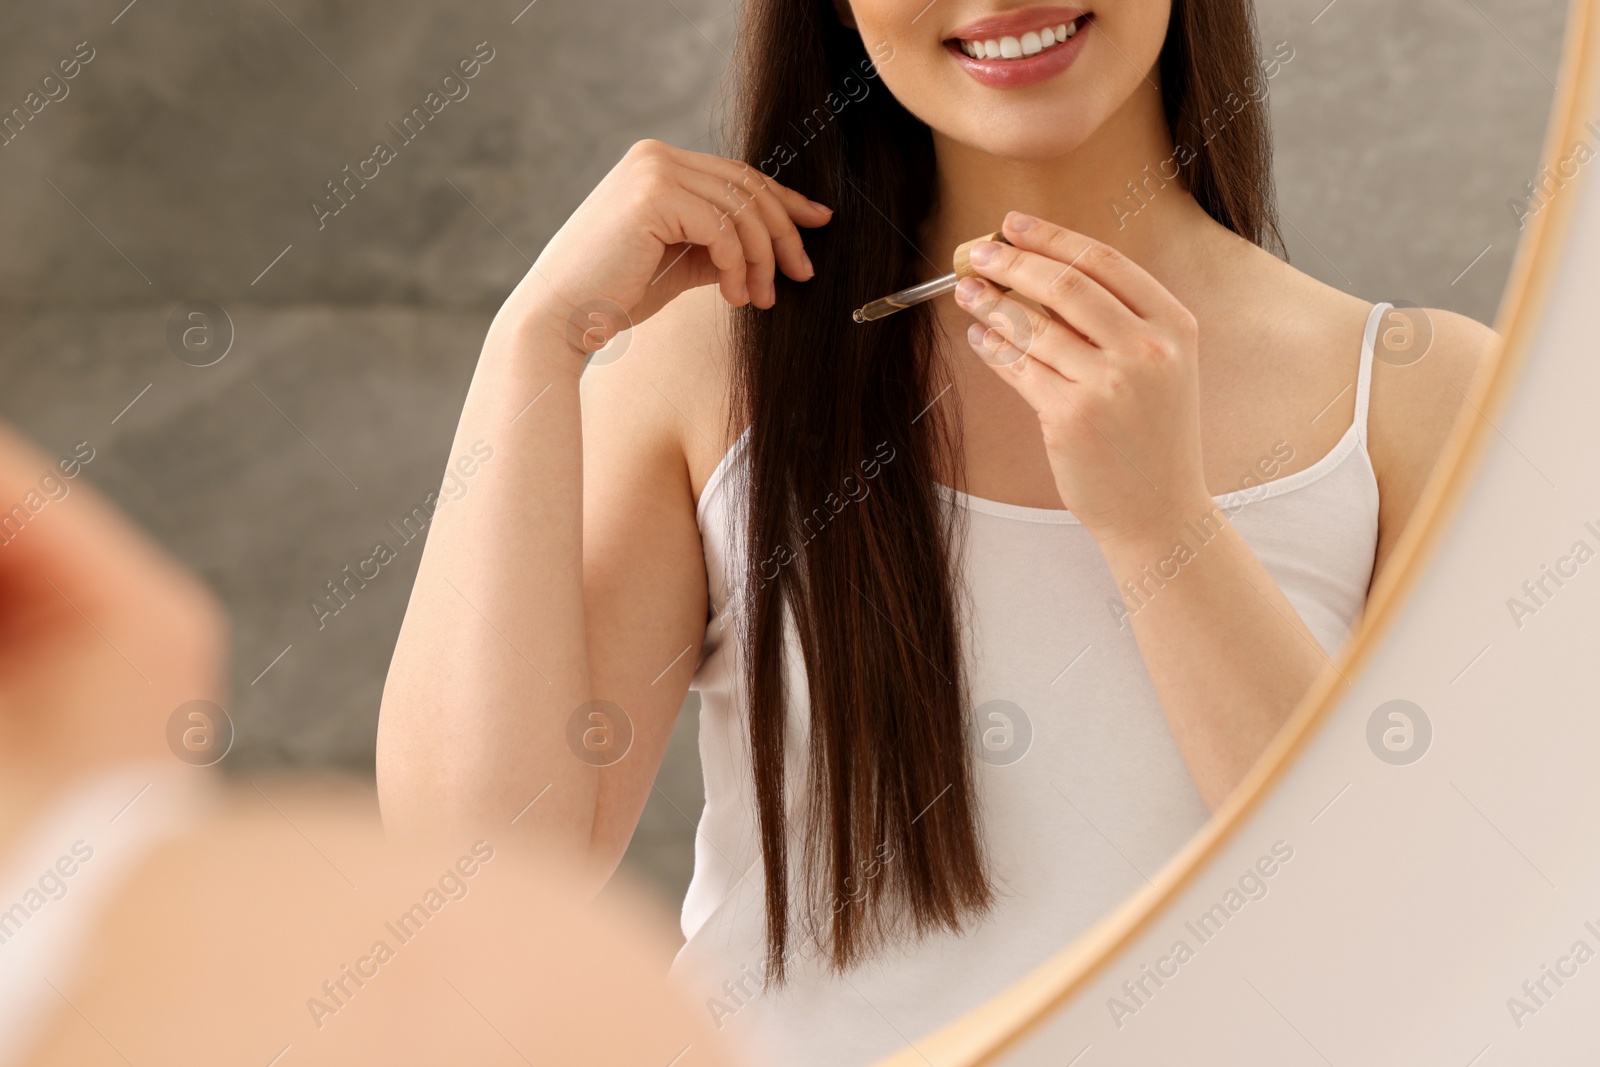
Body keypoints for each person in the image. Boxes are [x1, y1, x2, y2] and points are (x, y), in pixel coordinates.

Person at [376, 2, 1496, 1063]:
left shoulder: (1415, 391)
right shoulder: (712, 359)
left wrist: (1161, 528)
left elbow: (1418, 931)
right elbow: (478, 880)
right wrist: (528, 347)